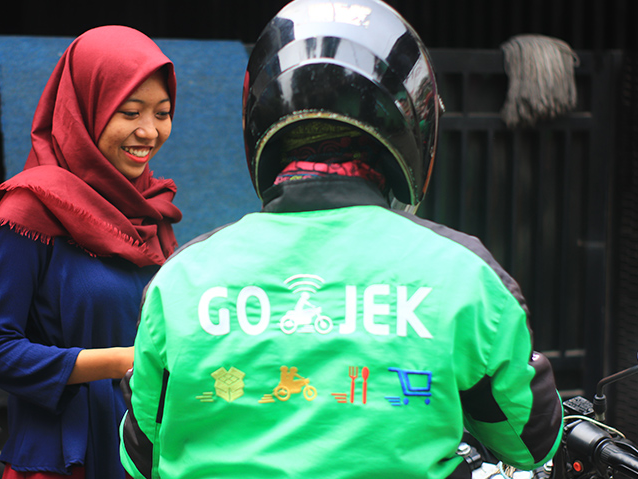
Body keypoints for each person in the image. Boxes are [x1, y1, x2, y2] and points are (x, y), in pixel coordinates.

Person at [118, 1, 563, 478]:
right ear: (413, 122)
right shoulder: (465, 274)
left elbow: (143, 455)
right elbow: (528, 442)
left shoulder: (181, 277)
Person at [0, 26, 182, 479]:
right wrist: (124, 360)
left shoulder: (152, 212)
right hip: (68, 460)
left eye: (162, 113)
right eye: (129, 112)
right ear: (86, 108)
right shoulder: (30, 209)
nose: (149, 131)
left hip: (149, 454)